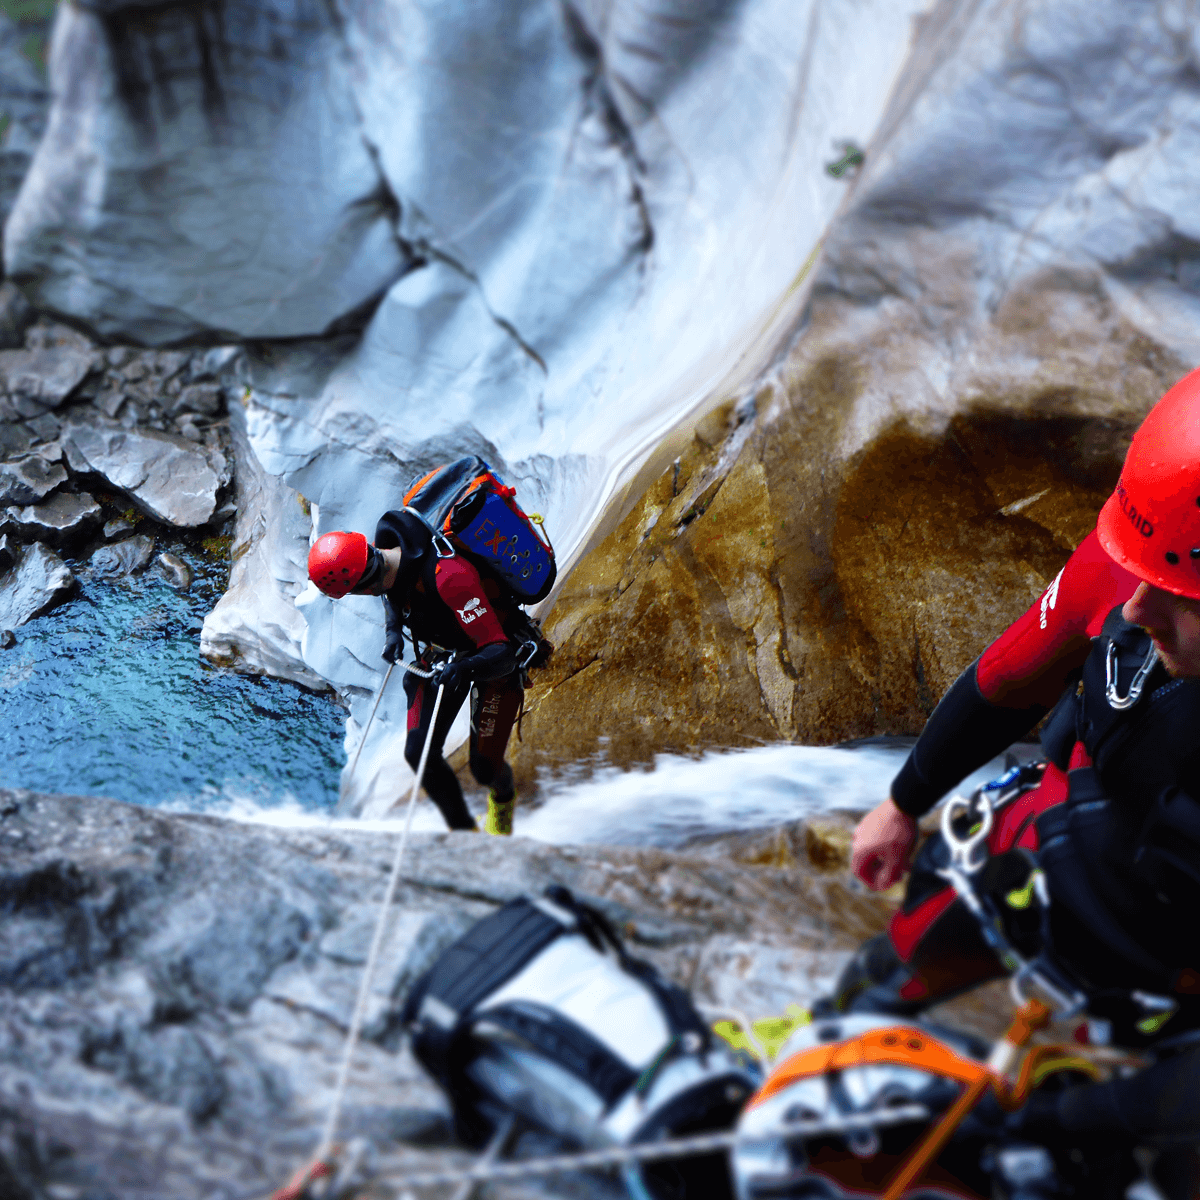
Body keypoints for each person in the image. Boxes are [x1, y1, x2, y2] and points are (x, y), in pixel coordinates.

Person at [825, 367, 1200, 1186]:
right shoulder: (1132, 573)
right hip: (1034, 873)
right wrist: (902, 802)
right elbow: (1008, 679)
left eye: (1179, 597)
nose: (1136, 610)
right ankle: (835, 1050)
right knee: (883, 981)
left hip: (1171, 1003)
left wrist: (1053, 1122)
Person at [308, 507, 536, 835]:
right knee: (419, 753)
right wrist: (392, 632)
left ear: (364, 585)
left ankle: (502, 801)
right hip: (445, 656)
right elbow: (391, 594)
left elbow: (500, 653)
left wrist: (463, 668)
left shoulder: (450, 577)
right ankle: (465, 835)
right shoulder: (384, 560)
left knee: (485, 767)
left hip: (490, 661)